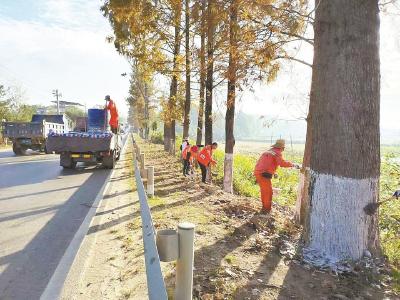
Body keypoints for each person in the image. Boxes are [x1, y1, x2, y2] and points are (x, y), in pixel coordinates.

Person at [254, 139, 300, 213]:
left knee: (264, 191)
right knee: (268, 192)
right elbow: (282, 163)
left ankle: (264, 208)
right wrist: (293, 165)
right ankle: (266, 210)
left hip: (258, 172)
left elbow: (266, 163)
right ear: (282, 148)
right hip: (263, 174)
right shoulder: (277, 152)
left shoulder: (268, 151)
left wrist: (273, 172)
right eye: (283, 149)